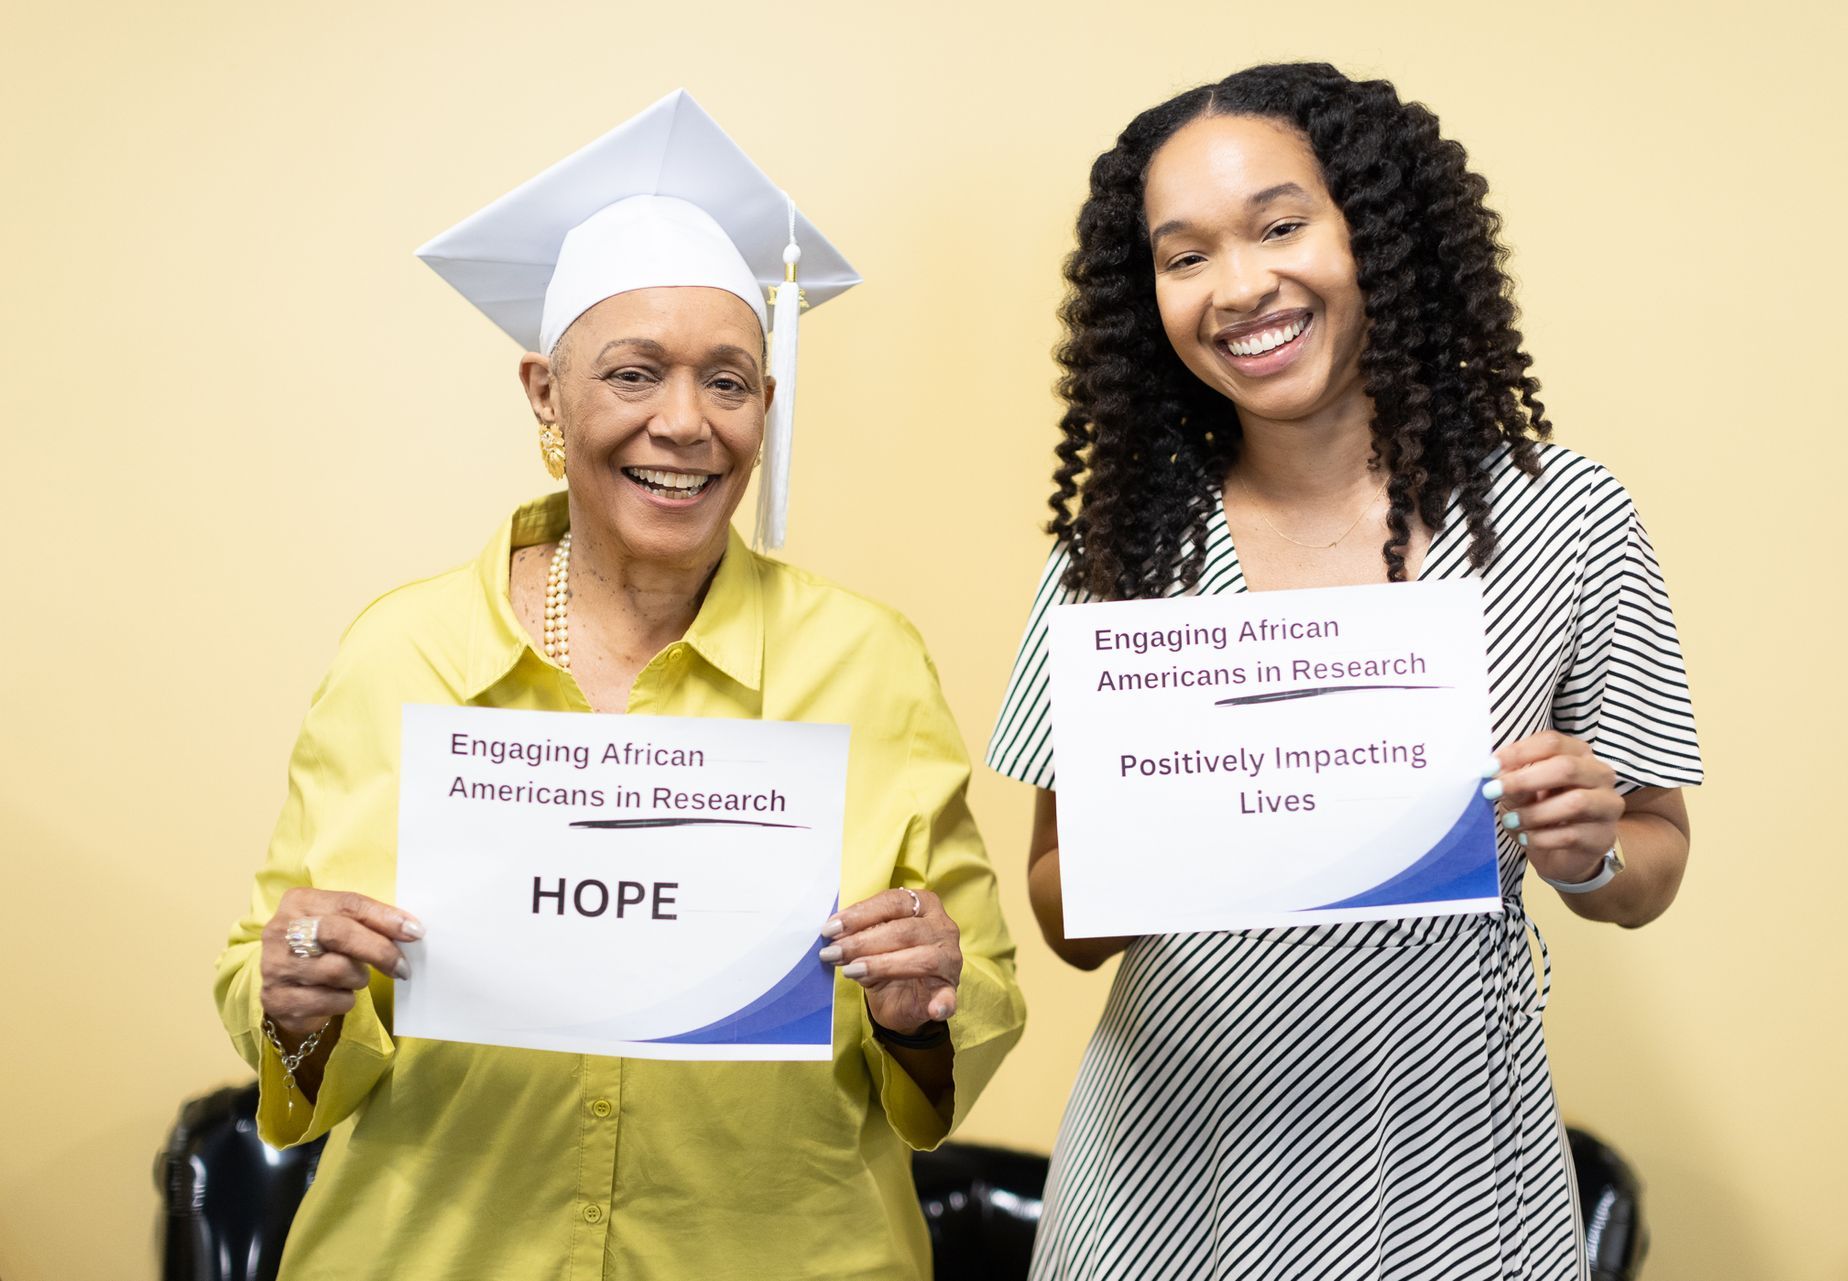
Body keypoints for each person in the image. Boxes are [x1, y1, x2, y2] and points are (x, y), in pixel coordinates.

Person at [214, 89, 1024, 1280]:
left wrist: (925, 1006)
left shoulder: (869, 663)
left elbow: (980, 990)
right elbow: (269, 975)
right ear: (546, 394)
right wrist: (292, 992)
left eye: (731, 382)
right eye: (635, 375)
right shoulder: (406, 653)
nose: (685, 425)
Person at [988, 63, 1701, 1279]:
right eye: (1185, 255)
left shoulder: (1565, 519)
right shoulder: (1119, 548)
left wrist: (1590, 850)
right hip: (1168, 1180)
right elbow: (1059, 909)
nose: (1241, 285)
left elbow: (1650, 861)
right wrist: (1182, 827)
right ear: (1143, 297)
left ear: (1376, 228)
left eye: (1280, 225)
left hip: (1456, 1178)